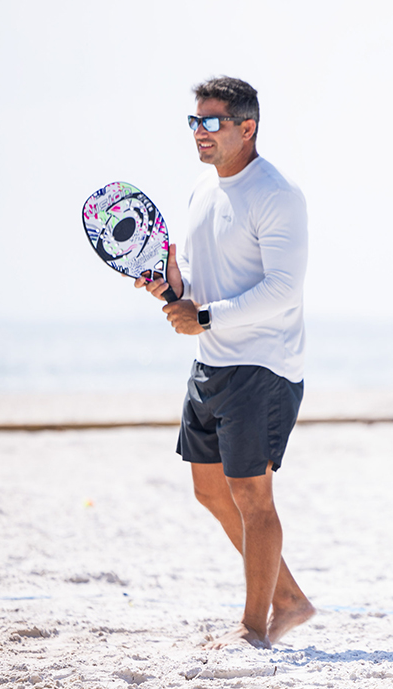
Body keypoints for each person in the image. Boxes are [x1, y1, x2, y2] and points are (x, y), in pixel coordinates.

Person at [136, 76, 314, 649]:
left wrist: (205, 316)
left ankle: (254, 626)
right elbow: (193, 277)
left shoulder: (276, 194)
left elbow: (284, 289)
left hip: (263, 364)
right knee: (209, 490)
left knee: (253, 497)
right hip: (211, 363)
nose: (200, 133)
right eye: (195, 122)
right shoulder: (200, 191)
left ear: (247, 127)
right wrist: (171, 286)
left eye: (212, 122)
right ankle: (287, 598)